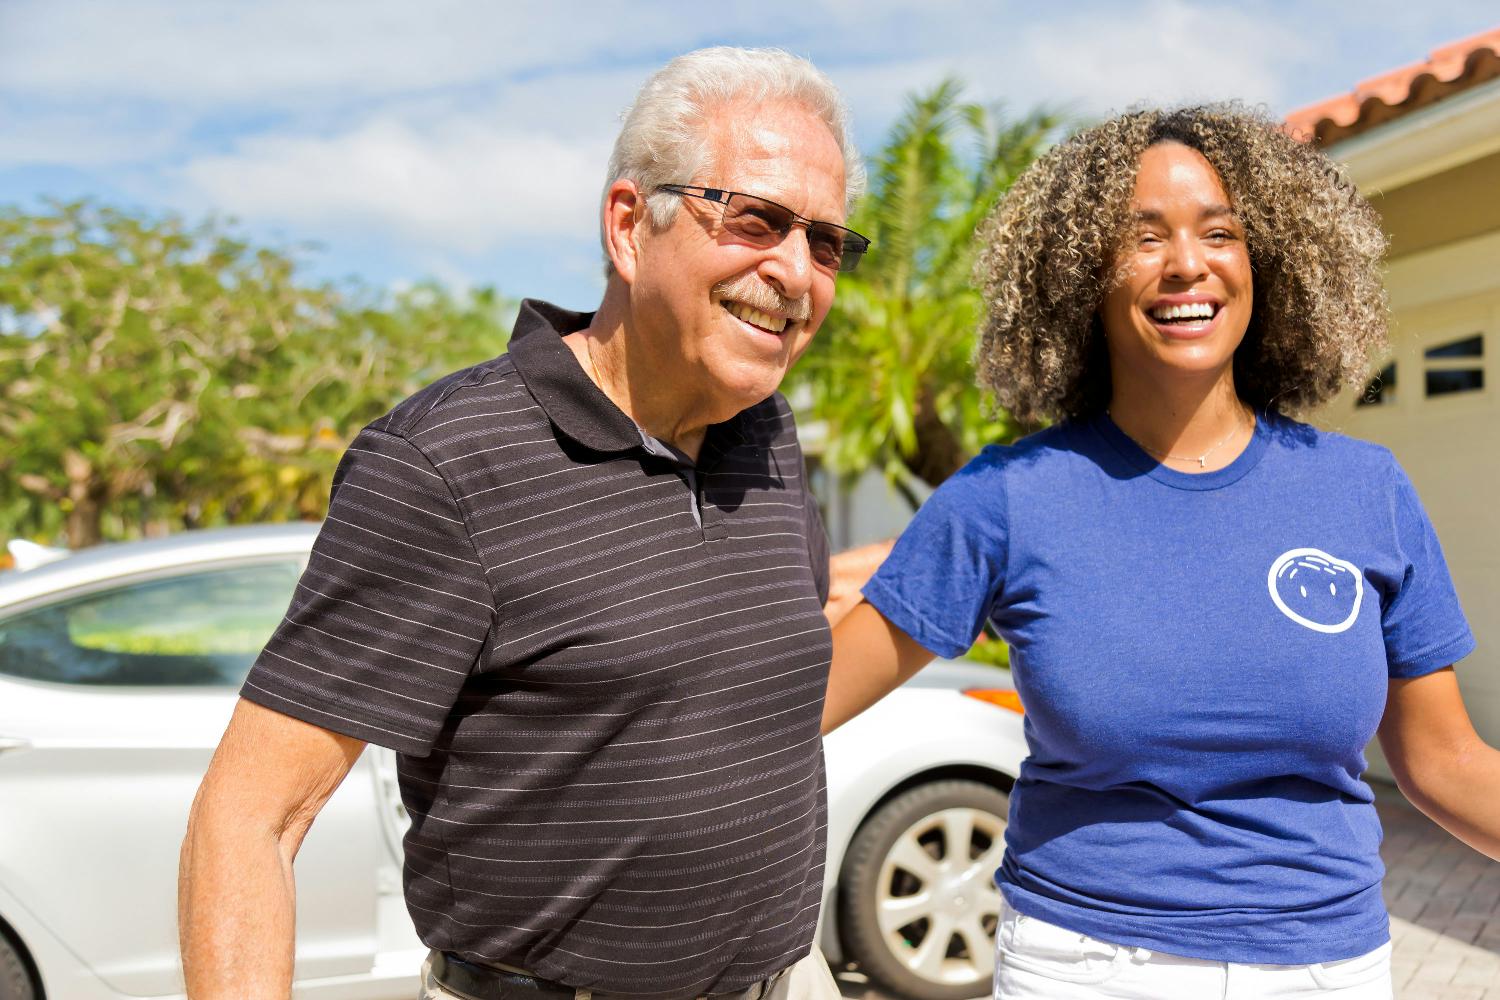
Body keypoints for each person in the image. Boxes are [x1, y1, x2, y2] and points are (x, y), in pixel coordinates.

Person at [179, 47, 874, 1000]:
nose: (795, 271)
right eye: (756, 219)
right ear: (631, 226)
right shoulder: (444, 465)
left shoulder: (767, 434)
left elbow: (736, 682)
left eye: (828, 242)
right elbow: (248, 820)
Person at [822, 104, 1500, 999]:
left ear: (1267, 265)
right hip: (1085, 967)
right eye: (1144, 238)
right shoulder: (1014, 496)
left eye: (1220, 232)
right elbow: (800, 701)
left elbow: (1444, 761)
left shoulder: (1363, 490)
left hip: (1326, 969)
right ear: (1080, 278)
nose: (1189, 262)